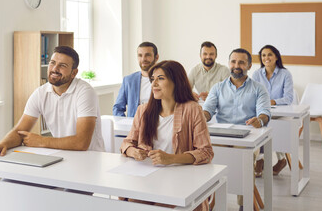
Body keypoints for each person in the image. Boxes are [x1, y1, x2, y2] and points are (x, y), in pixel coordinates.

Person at [119, 60, 214, 211]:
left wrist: (170, 159)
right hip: (148, 177)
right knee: (131, 201)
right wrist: (133, 151)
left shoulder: (193, 109)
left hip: (180, 179)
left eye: (160, 78)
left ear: (176, 82)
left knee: (164, 205)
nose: (154, 84)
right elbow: (127, 143)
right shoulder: (143, 110)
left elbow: (206, 152)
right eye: (152, 79)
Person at [0, 46, 104, 157]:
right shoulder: (40, 93)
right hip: (62, 155)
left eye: (62, 66)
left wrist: (41, 141)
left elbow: (81, 143)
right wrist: (3, 144)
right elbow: (20, 131)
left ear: (74, 73)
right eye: (52, 63)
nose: (55, 69)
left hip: (90, 158)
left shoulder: (85, 92)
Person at [202, 48, 271, 211]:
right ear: (228, 63)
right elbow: (208, 110)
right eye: (233, 61)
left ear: (249, 65)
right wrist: (201, 117)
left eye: (241, 62)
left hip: (247, 140)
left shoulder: (258, 88)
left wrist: (259, 120)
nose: (236, 65)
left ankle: (243, 204)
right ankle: (207, 201)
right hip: (222, 138)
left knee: (242, 162)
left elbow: (265, 113)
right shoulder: (217, 88)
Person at [252, 44, 294, 175]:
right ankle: (271, 158)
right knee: (259, 123)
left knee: (268, 125)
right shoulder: (257, 74)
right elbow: (252, 95)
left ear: (276, 57)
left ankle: (261, 159)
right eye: (263, 55)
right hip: (262, 112)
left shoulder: (285, 74)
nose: (266, 58)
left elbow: (288, 98)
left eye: (269, 54)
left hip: (281, 114)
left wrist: (272, 101)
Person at [113, 42, 159, 117]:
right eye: (140, 55)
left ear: (156, 57)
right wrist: (127, 124)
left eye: (147, 55)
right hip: (134, 126)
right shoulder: (128, 80)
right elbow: (117, 108)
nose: (143, 59)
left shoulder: (164, 80)